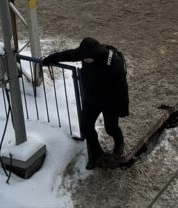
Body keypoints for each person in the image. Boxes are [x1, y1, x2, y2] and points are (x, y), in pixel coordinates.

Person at [42, 38, 128, 169]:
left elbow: (122, 87)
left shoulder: (113, 63)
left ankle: (119, 141)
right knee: (86, 126)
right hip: (91, 99)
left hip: (110, 101)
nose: (85, 61)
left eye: (88, 59)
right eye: (84, 58)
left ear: (96, 55)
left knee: (111, 128)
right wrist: (50, 59)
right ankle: (96, 154)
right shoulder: (85, 53)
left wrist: (123, 108)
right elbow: (69, 55)